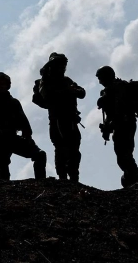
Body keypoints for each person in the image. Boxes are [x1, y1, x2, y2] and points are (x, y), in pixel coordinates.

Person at [0, 72, 46, 181]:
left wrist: (28, 137)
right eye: (0, 84)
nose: (2, 86)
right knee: (3, 174)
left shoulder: (13, 102)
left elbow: (24, 123)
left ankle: (41, 183)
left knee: (40, 155)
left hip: (13, 138)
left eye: (4, 84)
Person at [32, 53, 86, 181]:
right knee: (61, 149)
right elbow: (46, 97)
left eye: (64, 65)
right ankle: (63, 178)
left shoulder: (66, 81)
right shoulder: (46, 81)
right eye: (60, 65)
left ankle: (73, 177)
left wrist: (73, 91)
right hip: (57, 120)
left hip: (71, 120)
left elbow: (82, 93)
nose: (62, 68)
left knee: (74, 149)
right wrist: (67, 91)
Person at [96, 66, 138, 187]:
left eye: (101, 78)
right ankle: (131, 178)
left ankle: (133, 178)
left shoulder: (118, 89)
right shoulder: (110, 90)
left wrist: (110, 126)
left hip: (125, 124)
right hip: (122, 125)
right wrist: (107, 127)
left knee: (124, 153)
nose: (100, 82)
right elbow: (110, 114)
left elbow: (119, 111)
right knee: (123, 153)